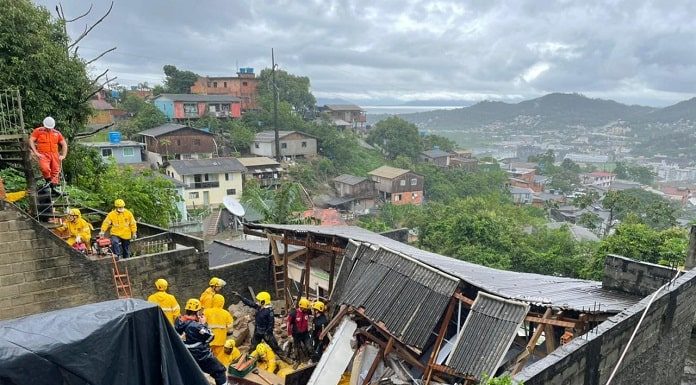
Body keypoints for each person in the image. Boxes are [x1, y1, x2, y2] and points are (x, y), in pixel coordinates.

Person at [175, 299, 228, 385]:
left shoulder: (178, 321)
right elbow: (210, 336)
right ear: (197, 312)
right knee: (220, 371)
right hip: (200, 354)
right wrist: (203, 324)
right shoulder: (196, 326)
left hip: (184, 353)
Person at [28, 116, 68, 195]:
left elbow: (64, 144)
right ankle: (48, 184)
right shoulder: (38, 131)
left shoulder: (57, 133)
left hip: (54, 154)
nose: (49, 129)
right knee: (45, 168)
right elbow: (31, 140)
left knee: (55, 171)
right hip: (43, 154)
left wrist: (63, 155)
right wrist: (36, 152)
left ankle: (53, 188)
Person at [203, 294, 234, 361]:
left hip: (209, 339)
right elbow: (230, 327)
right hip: (221, 340)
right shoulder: (226, 313)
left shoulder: (206, 312)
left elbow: (202, 325)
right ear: (222, 302)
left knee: (207, 357)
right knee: (220, 358)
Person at [287, 297, 312, 362]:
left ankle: (311, 359)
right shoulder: (294, 313)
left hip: (305, 333)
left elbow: (309, 319)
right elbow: (288, 323)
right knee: (297, 349)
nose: (307, 310)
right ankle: (298, 361)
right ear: (302, 307)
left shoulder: (307, 312)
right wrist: (289, 335)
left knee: (310, 347)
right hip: (296, 335)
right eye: (306, 308)